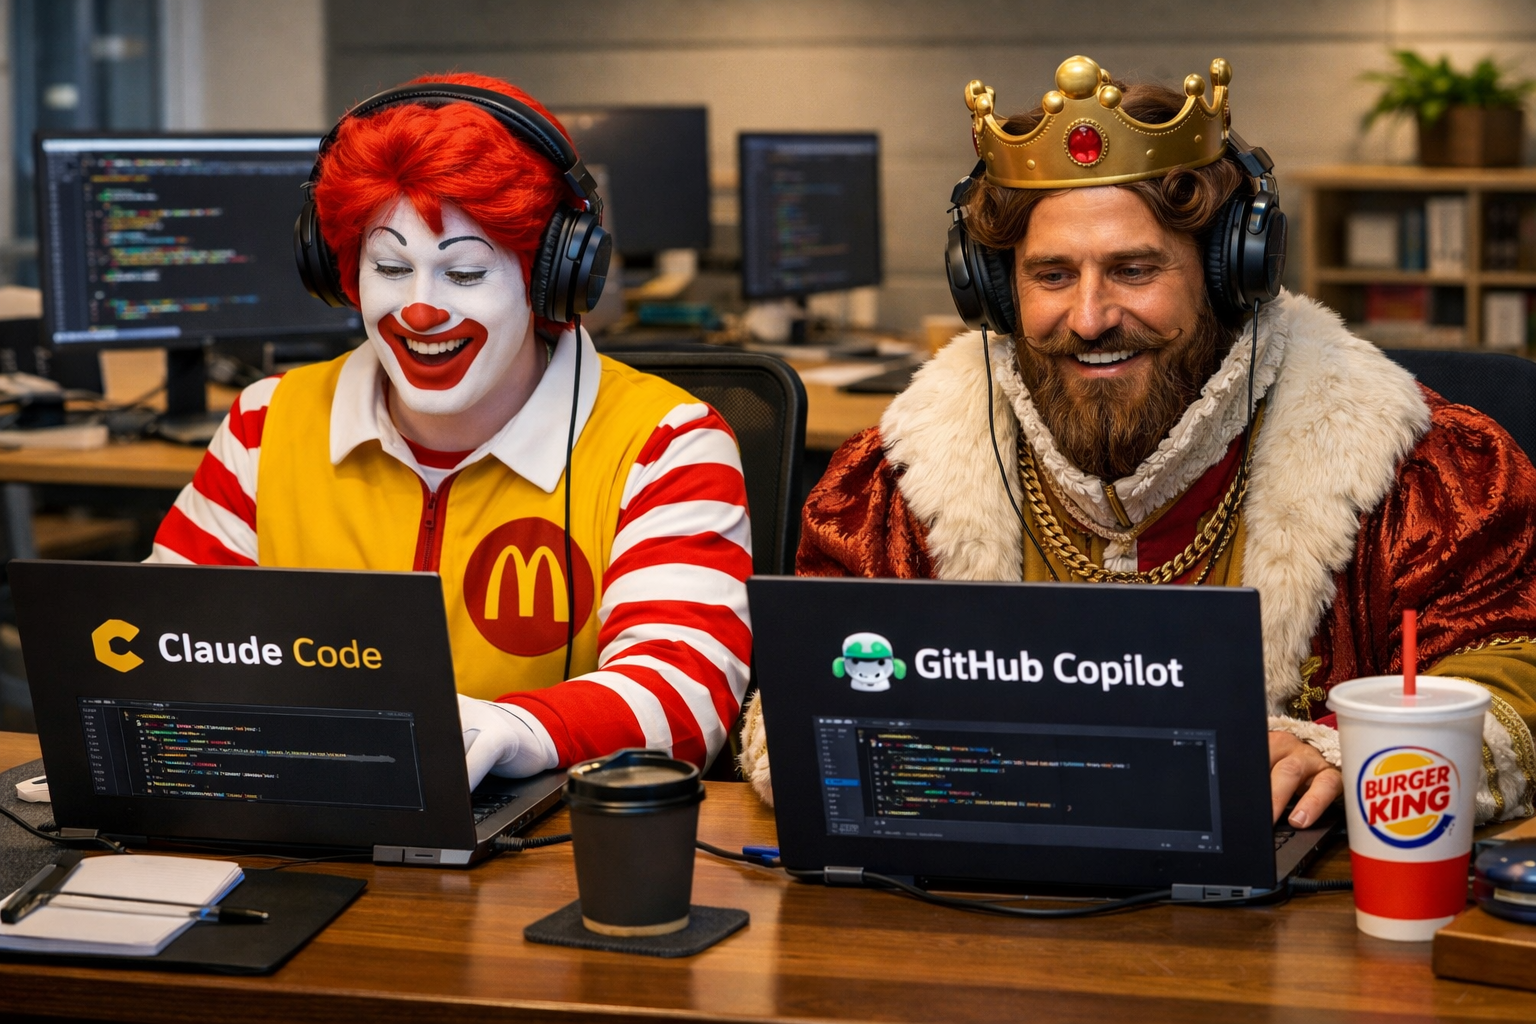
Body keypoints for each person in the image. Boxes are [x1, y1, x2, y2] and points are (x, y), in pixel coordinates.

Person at [740, 56, 1536, 829]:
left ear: (1233, 275)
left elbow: (1514, 671)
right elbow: (799, 709)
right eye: (1051, 276)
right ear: (992, 287)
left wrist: (1356, 756)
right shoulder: (900, 481)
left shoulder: (1409, 468)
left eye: (1133, 269)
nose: (1089, 319)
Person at [149, 73, 753, 788]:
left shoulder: (666, 443)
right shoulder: (267, 423)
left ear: (549, 279)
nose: (420, 309)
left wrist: (515, 731)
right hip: (299, 822)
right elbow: (165, 655)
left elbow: (688, 696)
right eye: (391, 266)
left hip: (549, 857)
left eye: (465, 272)